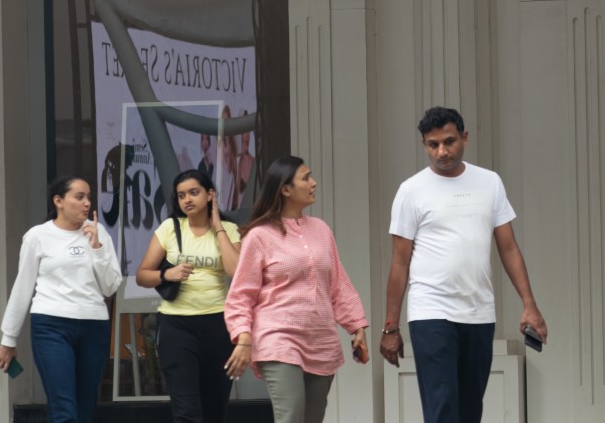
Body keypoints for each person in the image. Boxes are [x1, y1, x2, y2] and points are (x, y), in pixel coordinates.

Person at [380, 106, 548, 423]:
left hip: (479, 312)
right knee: (442, 407)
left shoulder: (489, 182)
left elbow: (509, 248)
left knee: (470, 410)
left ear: (465, 138)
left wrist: (530, 304)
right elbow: (400, 263)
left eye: (449, 142)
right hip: (430, 312)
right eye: (433, 145)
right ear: (424, 145)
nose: (442, 152)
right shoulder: (411, 191)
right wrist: (391, 326)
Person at [224, 156, 369, 423]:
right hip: (278, 338)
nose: (313, 183)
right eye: (306, 178)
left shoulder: (321, 230)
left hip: (321, 340)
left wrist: (356, 326)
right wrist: (243, 338)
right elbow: (241, 295)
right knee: (290, 416)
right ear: (285, 189)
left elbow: (338, 283)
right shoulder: (259, 236)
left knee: (313, 419)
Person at [0, 176, 122, 423]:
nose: (87, 203)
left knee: (85, 407)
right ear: (58, 201)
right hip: (51, 325)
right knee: (63, 407)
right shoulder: (38, 236)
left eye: (89, 197)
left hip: (94, 324)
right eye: (79, 197)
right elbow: (22, 287)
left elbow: (110, 287)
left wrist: (97, 248)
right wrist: (8, 338)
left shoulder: (99, 233)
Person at [135, 169, 241, 423]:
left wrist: (218, 227)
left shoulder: (229, 229)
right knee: (186, 409)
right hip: (176, 325)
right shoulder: (170, 228)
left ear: (210, 194)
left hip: (218, 323)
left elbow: (236, 270)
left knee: (215, 407)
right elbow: (142, 275)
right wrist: (167, 274)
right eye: (181, 195)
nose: (187, 200)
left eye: (194, 192)